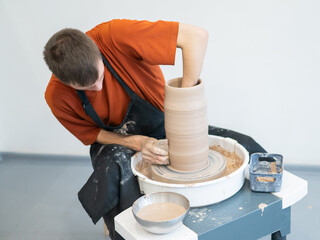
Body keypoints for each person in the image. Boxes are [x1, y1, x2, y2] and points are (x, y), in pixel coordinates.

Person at [43, 19, 266, 240]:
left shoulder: (113, 36)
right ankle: (122, 229)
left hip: (167, 124)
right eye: (88, 88)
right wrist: (136, 143)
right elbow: (92, 134)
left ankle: (263, 213)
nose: (98, 88)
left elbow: (195, 36)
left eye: (100, 77)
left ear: (97, 52)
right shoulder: (56, 97)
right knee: (116, 178)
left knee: (247, 146)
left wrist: (185, 105)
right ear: (65, 82)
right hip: (117, 143)